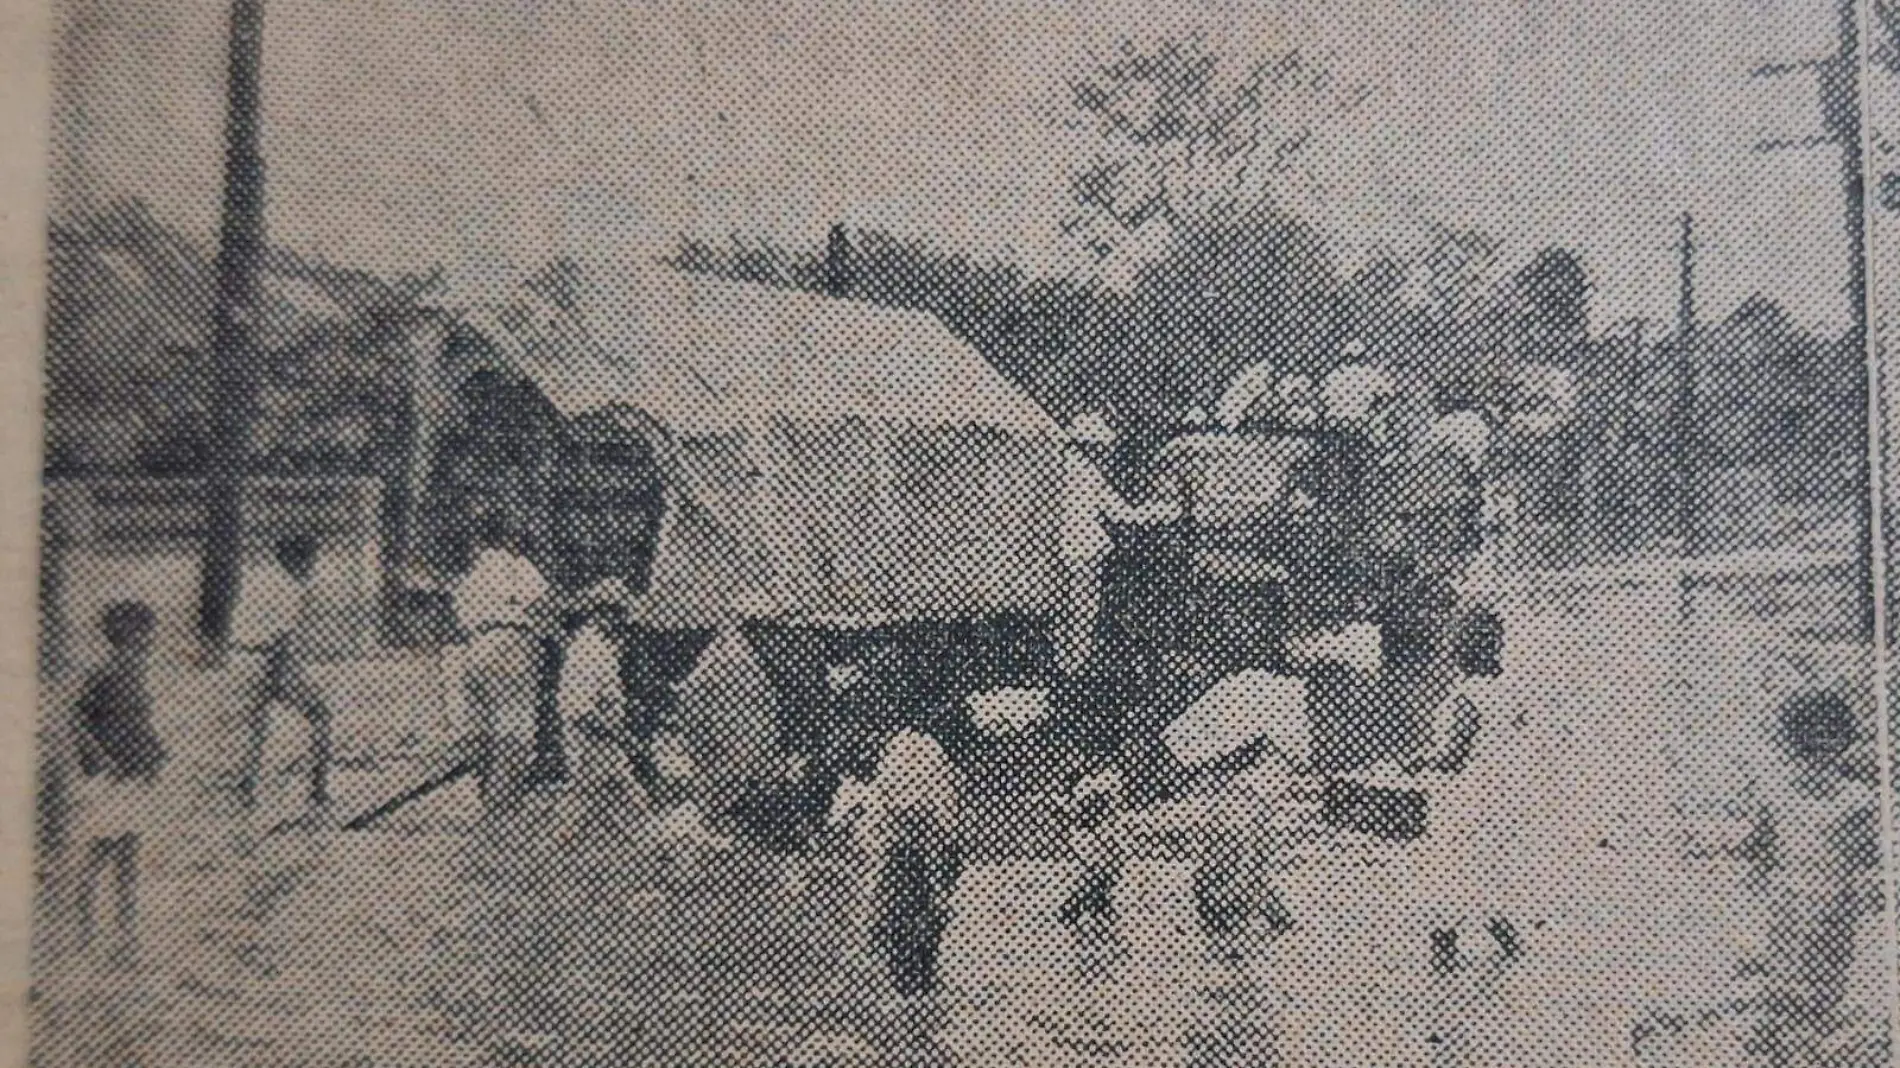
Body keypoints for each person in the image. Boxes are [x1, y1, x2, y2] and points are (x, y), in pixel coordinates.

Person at [70, 601, 167, 962]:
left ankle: (125, 938)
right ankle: (83, 936)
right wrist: (95, 756)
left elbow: (141, 724)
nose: (148, 641)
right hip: (110, 779)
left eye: (148, 634)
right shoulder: (104, 673)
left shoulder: (137, 675)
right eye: (142, 634)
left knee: (128, 857)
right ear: (122, 636)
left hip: (134, 776)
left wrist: (156, 751)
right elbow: (77, 717)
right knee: (99, 856)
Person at [1059, 411, 1180, 677]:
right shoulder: (1089, 475)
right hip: (1084, 549)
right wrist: (1164, 511)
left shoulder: (1064, 472)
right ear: (1092, 447)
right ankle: (1075, 667)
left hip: (1064, 550)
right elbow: (1123, 514)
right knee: (1082, 609)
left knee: (1066, 608)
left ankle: (1065, 661)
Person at [232, 534, 332, 812]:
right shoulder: (288, 588)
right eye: (309, 562)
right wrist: (287, 679)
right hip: (266, 661)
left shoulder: (262, 578)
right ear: (293, 561)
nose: (311, 569)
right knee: (321, 714)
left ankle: (248, 789)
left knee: (256, 728)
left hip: (243, 659)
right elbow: (281, 644)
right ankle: (318, 791)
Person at [1057, 769, 1127, 932]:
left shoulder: (1108, 816)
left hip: (1100, 844)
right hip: (1091, 842)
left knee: (1101, 880)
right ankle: (1079, 910)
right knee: (1093, 879)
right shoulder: (1088, 791)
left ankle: (1098, 909)